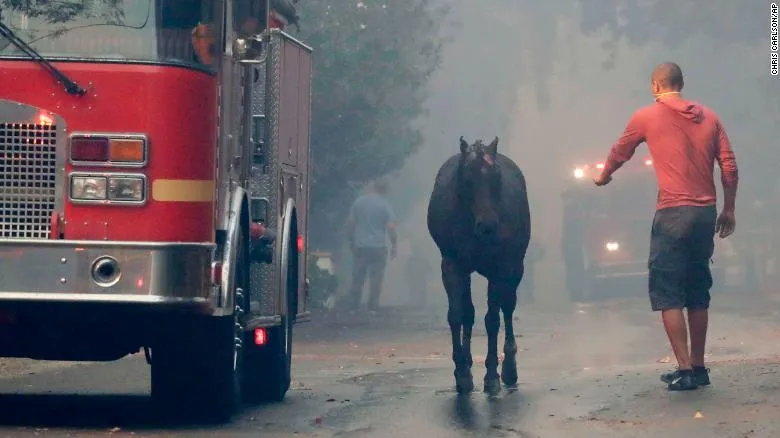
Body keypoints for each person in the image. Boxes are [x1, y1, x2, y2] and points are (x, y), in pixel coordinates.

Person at [593, 62, 738, 391]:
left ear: (656, 86)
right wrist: (728, 209)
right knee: (698, 291)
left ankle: (684, 370)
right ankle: (700, 368)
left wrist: (604, 175)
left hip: (672, 213)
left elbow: (621, 151)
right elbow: (729, 166)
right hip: (705, 213)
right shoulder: (711, 117)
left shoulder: (646, 116)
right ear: (681, 84)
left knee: (669, 292)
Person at [345, 179, 398, 311]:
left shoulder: (359, 202)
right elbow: (391, 227)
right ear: (385, 190)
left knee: (357, 277)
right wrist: (394, 245)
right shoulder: (385, 205)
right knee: (376, 279)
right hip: (378, 247)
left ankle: (353, 306)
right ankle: (372, 307)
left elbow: (351, 223)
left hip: (360, 246)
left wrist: (351, 240)